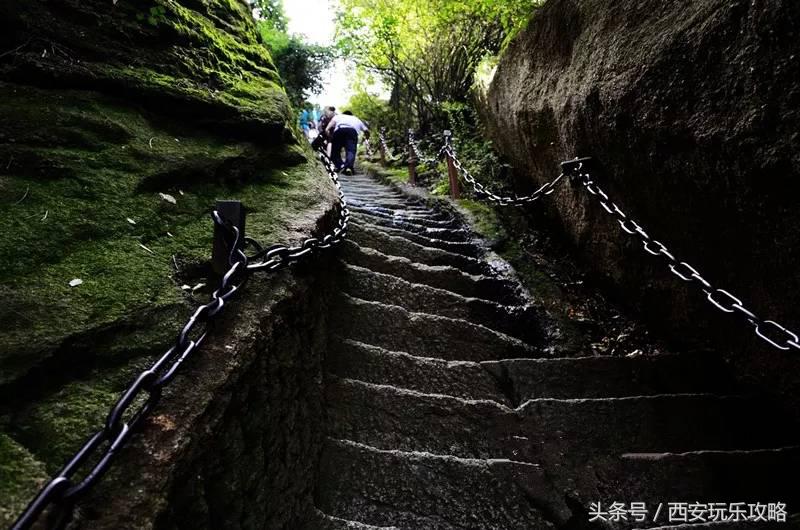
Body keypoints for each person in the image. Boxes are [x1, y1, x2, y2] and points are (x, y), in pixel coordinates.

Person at [326, 110, 370, 175]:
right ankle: (348, 167)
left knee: (335, 151)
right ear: (351, 115)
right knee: (351, 151)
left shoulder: (338, 116)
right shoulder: (356, 118)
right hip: (352, 132)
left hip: (340, 130)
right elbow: (366, 130)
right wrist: (367, 137)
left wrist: (328, 132)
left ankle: (340, 165)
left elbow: (329, 126)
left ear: (343, 113)